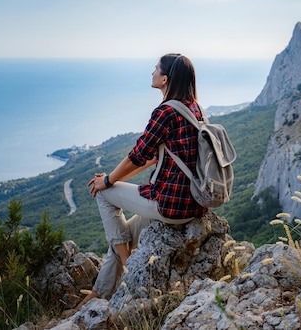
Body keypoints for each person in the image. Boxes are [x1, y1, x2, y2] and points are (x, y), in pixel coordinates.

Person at [77, 53, 208, 307]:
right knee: (121, 236)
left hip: (168, 205)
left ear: (165, 79)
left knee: (102, 194)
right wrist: (114, 180)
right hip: (192, 204)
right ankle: (99, 294)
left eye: (155, 69)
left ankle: (130, 271)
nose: (152, 73)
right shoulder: (196, 109)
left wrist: (108, 180)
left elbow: (138, 155)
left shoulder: (165, 112)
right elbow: (151, 159)